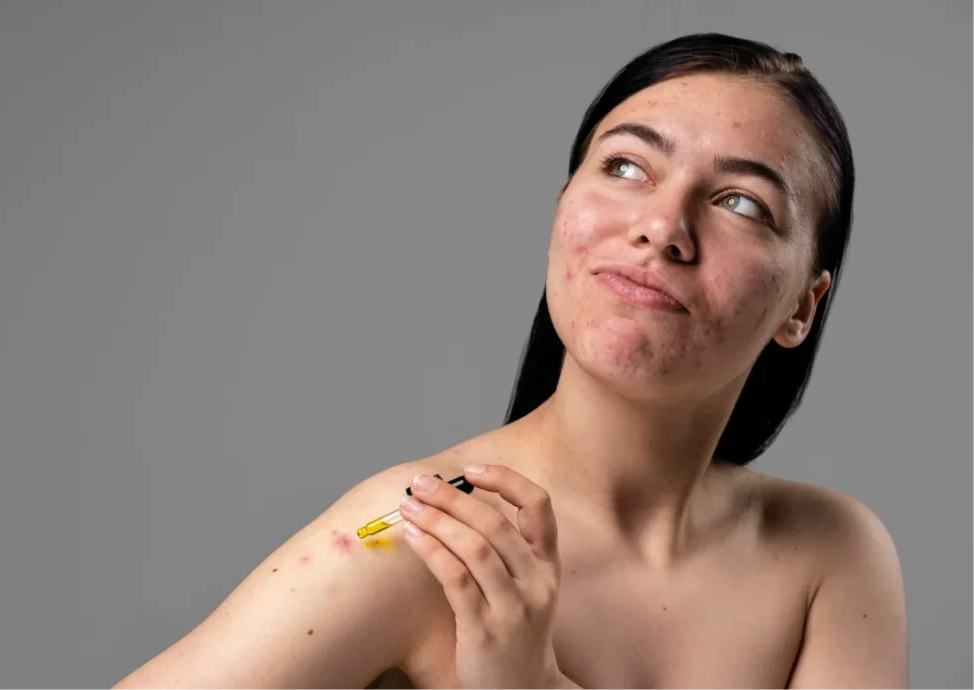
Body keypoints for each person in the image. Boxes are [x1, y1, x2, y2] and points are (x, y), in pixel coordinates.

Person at [114, 33, 908, 690]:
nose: (662, 226)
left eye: (741, 202)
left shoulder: (831, 557)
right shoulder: (425, 531)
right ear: (565, 206)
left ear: (803, 305)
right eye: (626, 167)